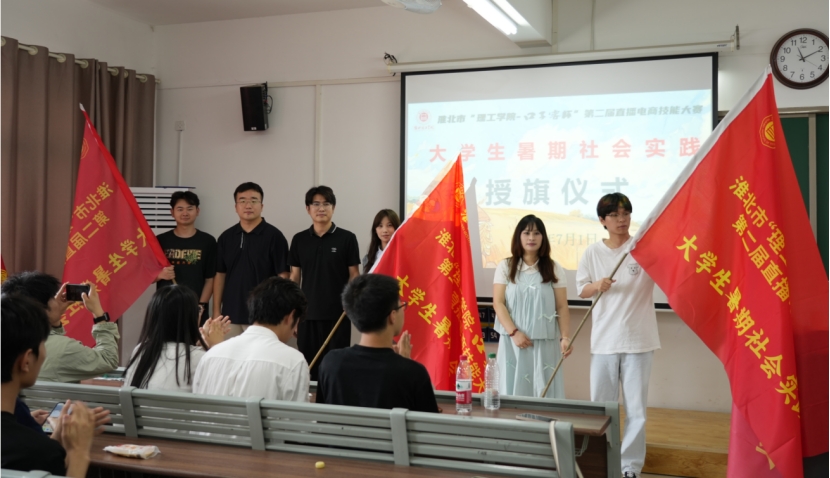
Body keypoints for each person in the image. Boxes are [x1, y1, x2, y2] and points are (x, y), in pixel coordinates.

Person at [576, 193, 660, 478]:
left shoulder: (642, 250)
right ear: (603, 220)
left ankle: (630, 467)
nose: (622, 220)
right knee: (601, 409)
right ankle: (600, 463)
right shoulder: (592, 253)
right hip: (604, 342)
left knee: (636, 410)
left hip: (639, 341)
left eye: (626, 214)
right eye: (614, 215)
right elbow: (581, 289)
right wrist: (596, 285)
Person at [1, 294, 96, 477]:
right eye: (43, 343)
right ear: (26, 360)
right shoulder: (38, 453)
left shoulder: (37, 450)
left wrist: (55, 439)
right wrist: (78, 454)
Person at [317, 274, 438, 413]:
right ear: (392, 316)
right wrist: (406, 363)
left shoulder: (331, 363)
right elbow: (429, 422)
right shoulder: (413, 373)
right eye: (402, 305)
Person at [492, 215, 572, 399]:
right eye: (526, 233)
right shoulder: (505, 266)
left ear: (543, 237)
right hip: (512, 342)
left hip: (544, 343)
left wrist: (565, 337)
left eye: (537, 233)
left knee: (544, 393)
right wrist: (514, 333)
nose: (531, 238)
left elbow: (561, 306)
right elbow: (498, 303)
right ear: (518, 236)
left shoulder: (554, 267)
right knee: (510, 391)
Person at [194, 277, 309, 402]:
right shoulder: (293, 361)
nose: (294, 332)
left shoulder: (210, 355)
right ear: (291, 316)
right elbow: (296, 413)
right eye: (297, 322)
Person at [289, 186, 360, 381]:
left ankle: (333, 401)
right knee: (308, 368)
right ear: (308, 209)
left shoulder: (347, 238)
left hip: (338, 316)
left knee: (336, 369)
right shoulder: (299, 239)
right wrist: (293, 314)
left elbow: (354, 275)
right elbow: (294, 278)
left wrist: (350, 305)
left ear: (333, 208)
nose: (321, 208)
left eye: (326, 204)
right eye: (316, 204)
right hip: (307, 316)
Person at [1, 271, 119, 383]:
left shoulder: (7, 339)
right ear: (42, 308)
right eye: (53, 298)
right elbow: (108, 359)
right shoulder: (64, 349)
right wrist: (98, 314)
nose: (56, 301)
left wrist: (53, 319)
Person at [214, 182, 290, 338]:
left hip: (264, 316)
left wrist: (281, 310)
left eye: (254, 200)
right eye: (242, 201)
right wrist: (216, 311)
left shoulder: (274, 236)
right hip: (230, 316)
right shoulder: (226, 238)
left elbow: (283, 276)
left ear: (262, 206)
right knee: (231, 353)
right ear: (236, 207)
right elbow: (220, 275)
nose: (248, 205)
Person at [124, 285, 230, 393]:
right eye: (198, 309)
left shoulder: (141, 350)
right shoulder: (199, 358)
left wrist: (202, 348)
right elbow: (222, 392)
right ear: (188, 317)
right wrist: (216, 347)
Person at [155, 191, 217, 325]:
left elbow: (210, 279)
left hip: (196, 308)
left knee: (196, 339)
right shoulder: (160, 241)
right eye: (180, 209)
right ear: (172, 212)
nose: (185, 213)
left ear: (197, 211)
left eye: (189, 209)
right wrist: (160, 275)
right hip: (165, 306)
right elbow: (147, 275)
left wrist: (201, 306)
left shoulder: (208, 241)